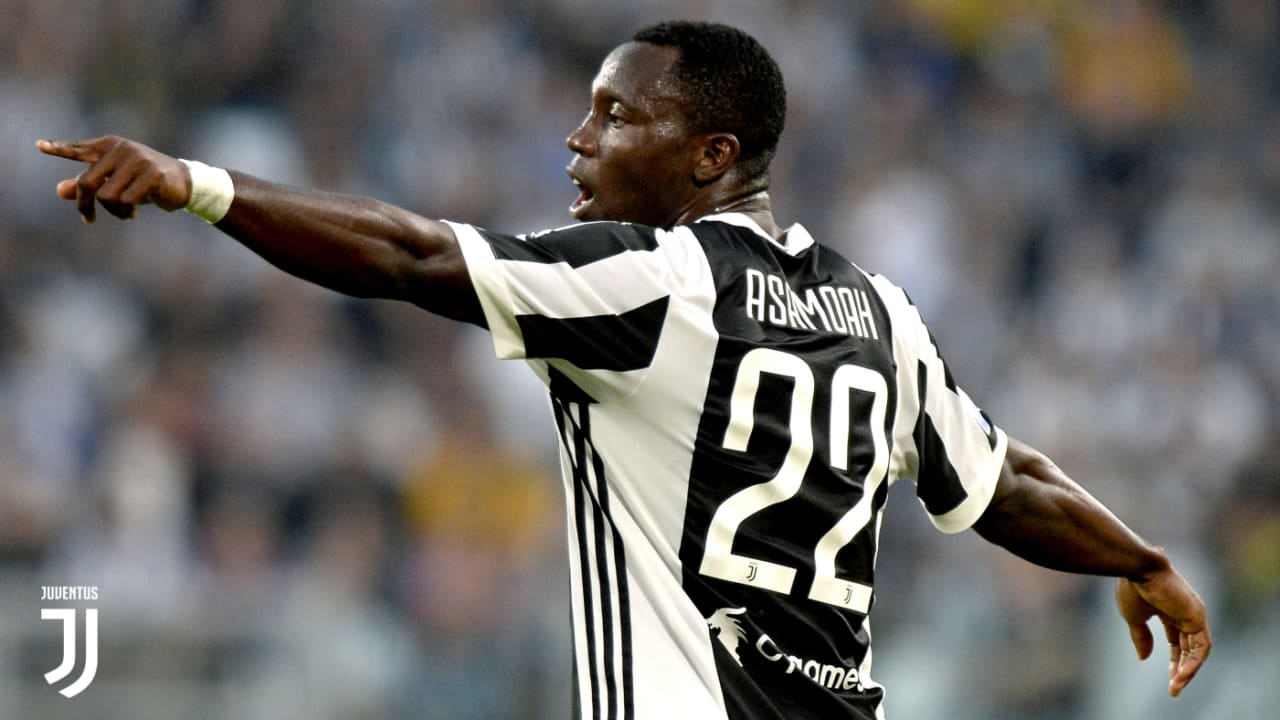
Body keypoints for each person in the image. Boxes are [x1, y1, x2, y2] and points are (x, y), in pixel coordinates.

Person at [38, 19, 1209, 720]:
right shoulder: (880, 312)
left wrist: (198, 185)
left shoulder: (653, 283)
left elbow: (408, 253)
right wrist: (1140, 558)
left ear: (708, 156)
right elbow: (1006, 484)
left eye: (613, 116)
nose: (577, 138)